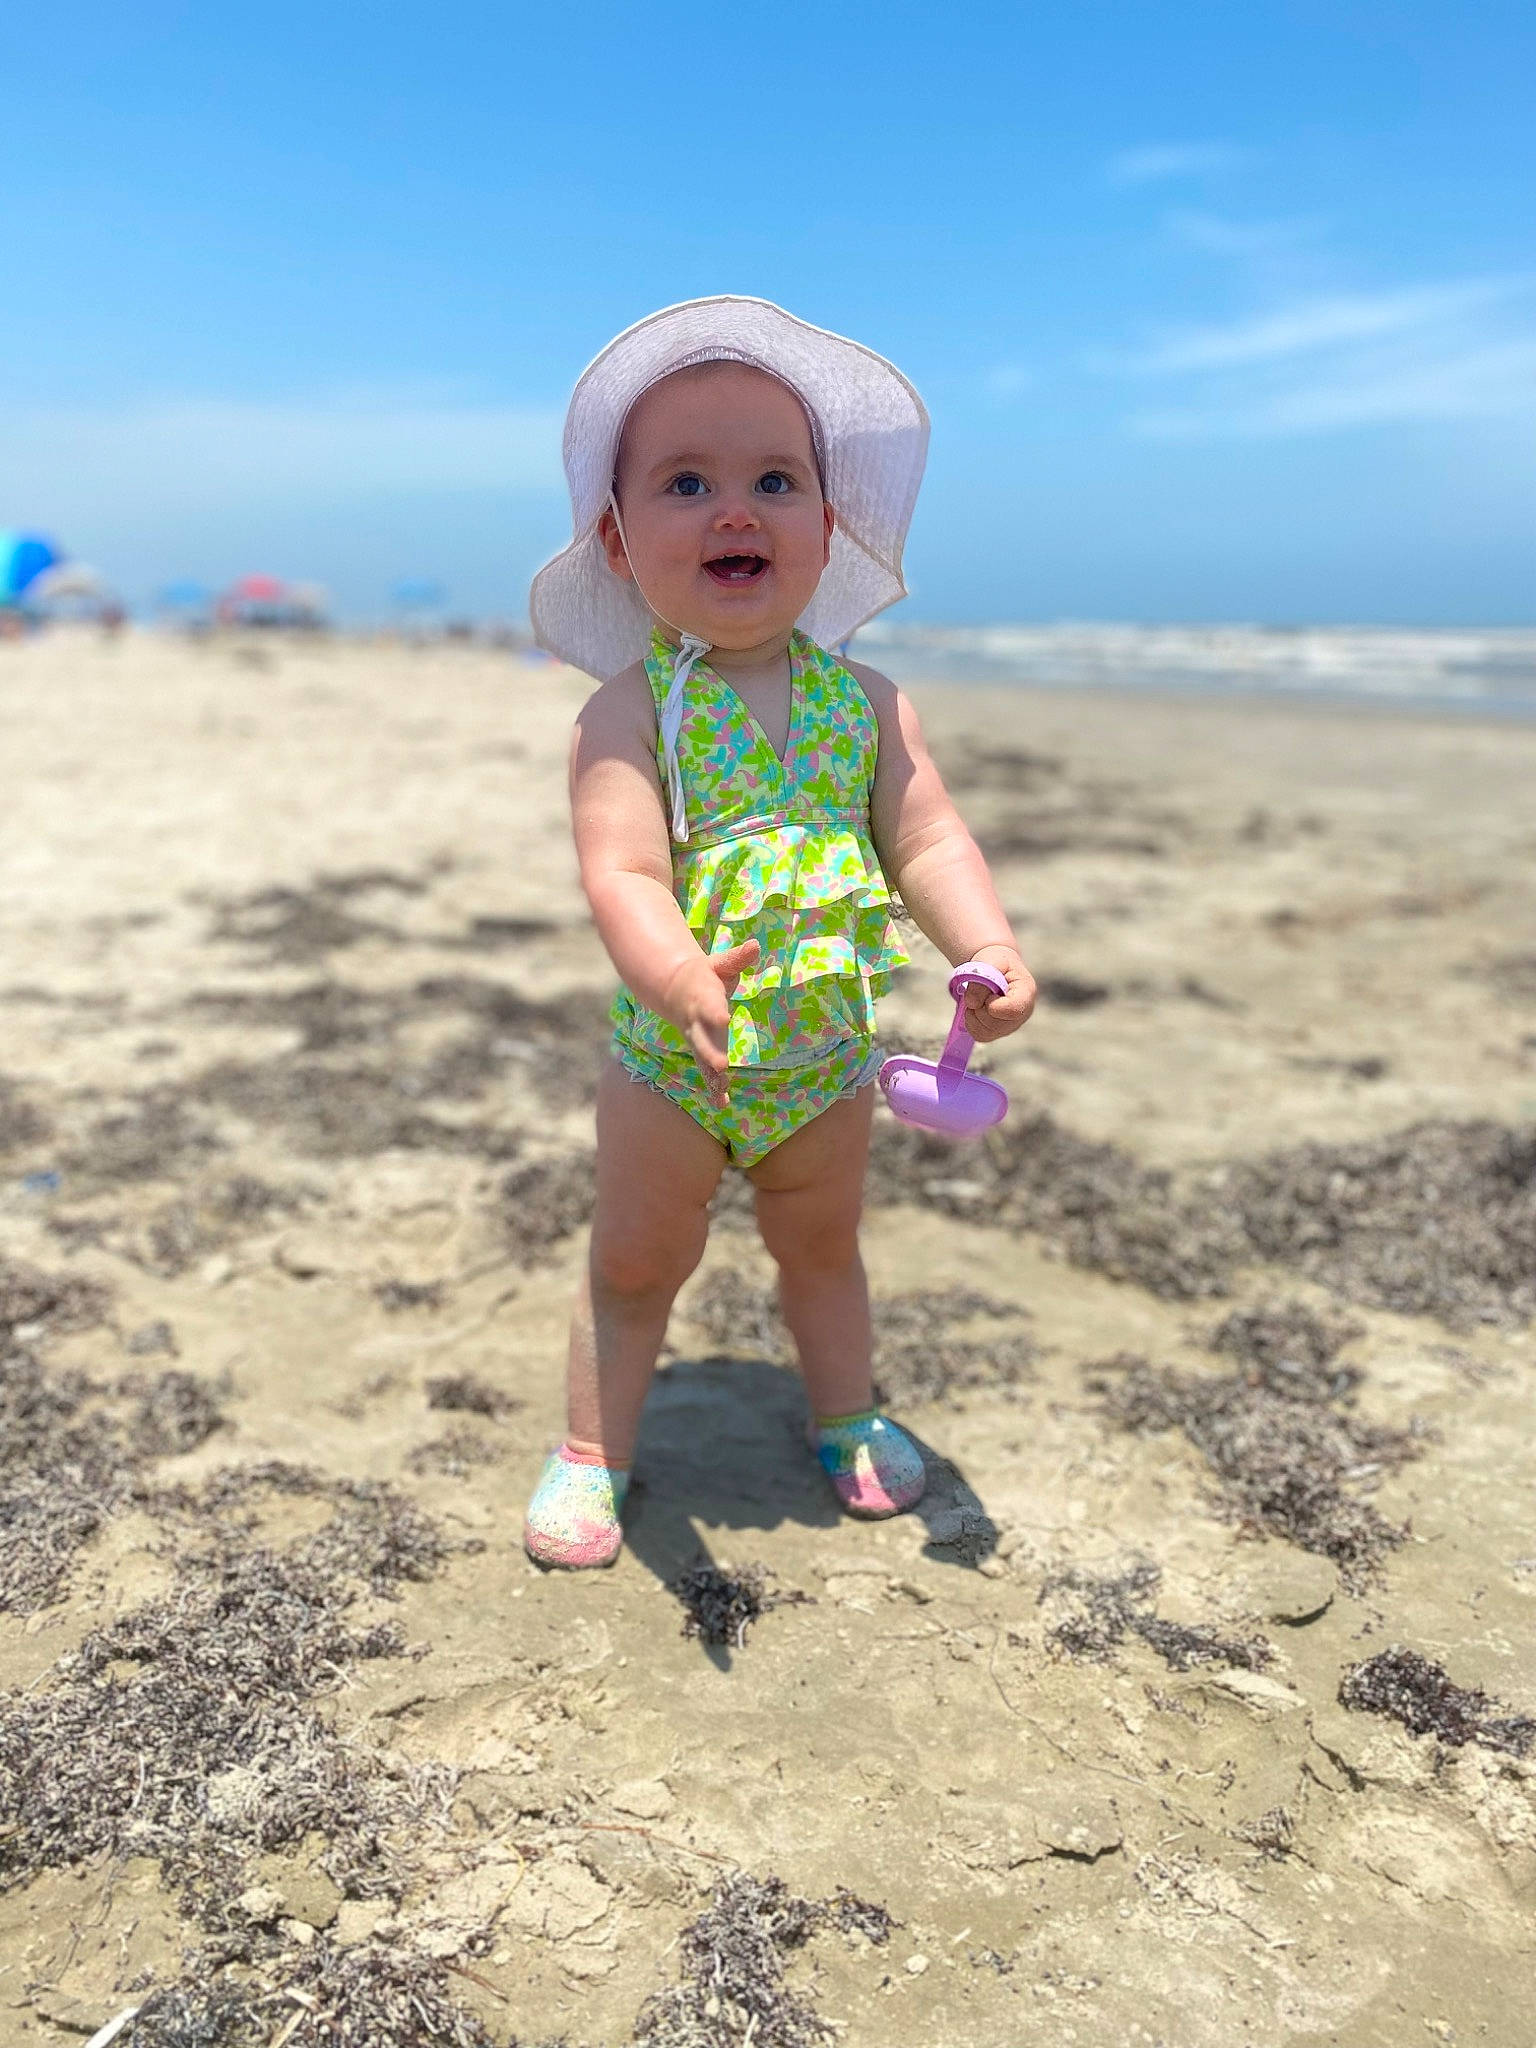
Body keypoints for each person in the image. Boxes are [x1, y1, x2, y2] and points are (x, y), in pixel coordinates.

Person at [523, 297, 1035, 1568]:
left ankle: (846, 1408)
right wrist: (677, 972)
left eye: (775, 479)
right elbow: (625, 871)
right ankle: (595, 1449)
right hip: (672, 1064)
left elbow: (927, 841)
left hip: (823, 1062)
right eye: (685, 482)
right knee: (639, 1259)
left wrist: (987, 948)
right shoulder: (628, 713)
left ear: (829, 521)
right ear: (620, 540)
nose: (734, 507)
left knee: (823, 1244)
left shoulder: (866, 704)